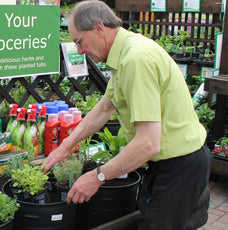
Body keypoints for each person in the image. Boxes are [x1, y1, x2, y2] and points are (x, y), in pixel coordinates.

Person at [42, 1, 211, 229]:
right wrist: (66, 146)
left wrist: (97, 176)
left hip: (180, 164)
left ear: (100, 28)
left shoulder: (135, 59)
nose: (80, 51)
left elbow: (148, 143)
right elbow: (104, 108)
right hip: (170, 163)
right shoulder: (124, 53)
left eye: (79, 41)